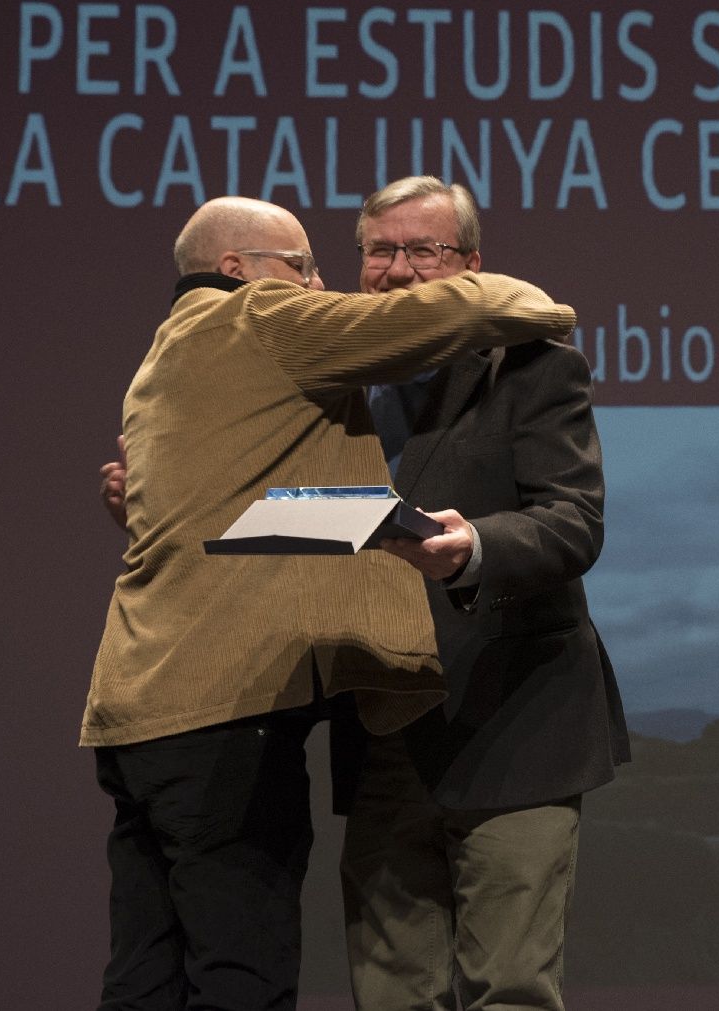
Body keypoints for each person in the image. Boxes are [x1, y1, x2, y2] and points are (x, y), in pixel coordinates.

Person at [83, 195, 576, 1011]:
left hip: (133, 710)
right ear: (240, 272)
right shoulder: (261, 319)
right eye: (304, 265)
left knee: (142, 974)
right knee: (241, 974)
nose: (317, 283)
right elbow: (472, 301)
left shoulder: (158, 364)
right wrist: (548, 309)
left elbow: (211, 509)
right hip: (224, 708)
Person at [332, 177, 629, 1011]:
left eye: (421, 249)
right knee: (391, 996)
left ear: (470, 264)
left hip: (516, 724)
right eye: (379, 251)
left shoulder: (534, 364)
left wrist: (474, 550)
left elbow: (573, 523)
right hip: (383, 728)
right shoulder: (332, 382)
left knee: (510, 993)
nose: (397, 270)